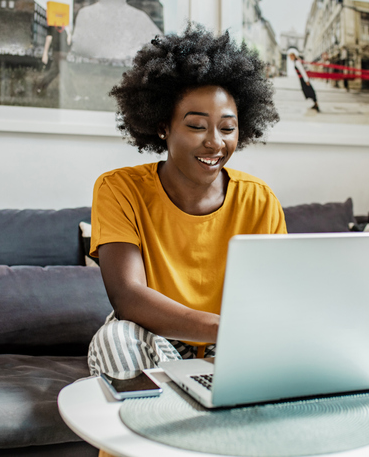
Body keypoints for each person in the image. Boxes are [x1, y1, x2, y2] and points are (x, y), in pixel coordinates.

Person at [87, 24, 287, 380]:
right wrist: (222, 329)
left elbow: (274, 297)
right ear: (163, 126)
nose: (215, 143)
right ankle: (158, 424)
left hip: (232, 343)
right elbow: (128, 298)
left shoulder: (260, 199)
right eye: (197, 126)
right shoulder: (119, 189)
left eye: (227, 128)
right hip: (154, 336)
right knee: (113, 339)